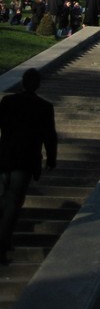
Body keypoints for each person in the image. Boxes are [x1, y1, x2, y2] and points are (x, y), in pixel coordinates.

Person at [0, 69, 58, 263]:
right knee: (13, 202)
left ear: (23, 83)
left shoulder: (7, 102)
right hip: (25, 160)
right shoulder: (44, 107)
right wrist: (51, 159)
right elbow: (50, 136)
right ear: (38, 84)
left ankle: (4, 240)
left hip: (5, 157)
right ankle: (2, 243)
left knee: (4, 200)